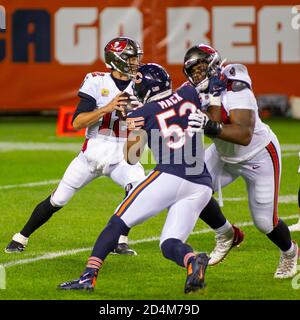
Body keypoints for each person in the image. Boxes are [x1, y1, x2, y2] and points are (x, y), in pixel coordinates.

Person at [58, 63, 214, 294]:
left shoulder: (142, 113)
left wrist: (132, 120)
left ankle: (88, 277)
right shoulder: (189, 93)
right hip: (201, 183)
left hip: (170, 175)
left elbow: (132, 158)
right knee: (169, 243)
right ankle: (192, 260)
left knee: (118, 221)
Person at [5, 36, 146, 256]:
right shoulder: (97, 81)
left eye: (137, 58)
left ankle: (120, 238)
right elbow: (77, 122)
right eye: (131, 58)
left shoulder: (143, 83)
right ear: (116, 59)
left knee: (138, 191)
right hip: (93, 152)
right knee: (58, 199)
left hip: (124, 152)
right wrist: (106, 108)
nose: (136, 62)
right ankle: (20, 236)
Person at [185, 43, 299, 278]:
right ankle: (227, 234)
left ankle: (290, 252)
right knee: (188, 187)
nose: (198, 74)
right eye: (193, 71)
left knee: (265, 223)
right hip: (223, 154)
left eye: (201, 67)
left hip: (257, 155)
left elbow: (243, 135)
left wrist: (208, 124)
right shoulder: (194, 90)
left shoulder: (235, 86)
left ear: (214, 64)